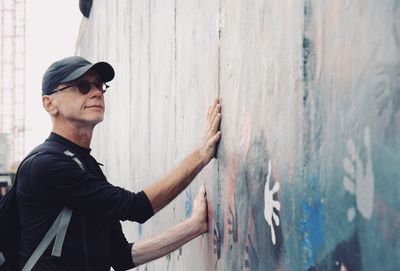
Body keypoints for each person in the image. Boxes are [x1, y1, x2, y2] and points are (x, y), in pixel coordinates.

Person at [16, 56, 222, 270]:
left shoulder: (85, 165)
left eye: (99, 86)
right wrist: (201, 155)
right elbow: (137, 207)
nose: (96, 92)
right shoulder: (45, 166)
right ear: (49, 104)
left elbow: (121, 256)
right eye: (83, 86)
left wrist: (194, 226)